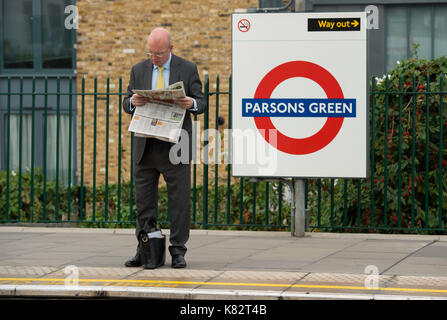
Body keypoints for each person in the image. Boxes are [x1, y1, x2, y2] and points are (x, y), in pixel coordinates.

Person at [122, 27, 207, 268]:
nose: (154, 58)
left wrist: (190, 102)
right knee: (144, 203)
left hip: (175, 146)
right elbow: (126, 102)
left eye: (158, 53)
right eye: (150, 53)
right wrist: (131, 102)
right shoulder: (138, 69)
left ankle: (178, 251)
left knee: (179, 202)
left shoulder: (187, 69)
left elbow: (201, 103)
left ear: (170, 49)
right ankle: (145, 248)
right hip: (145, 146)